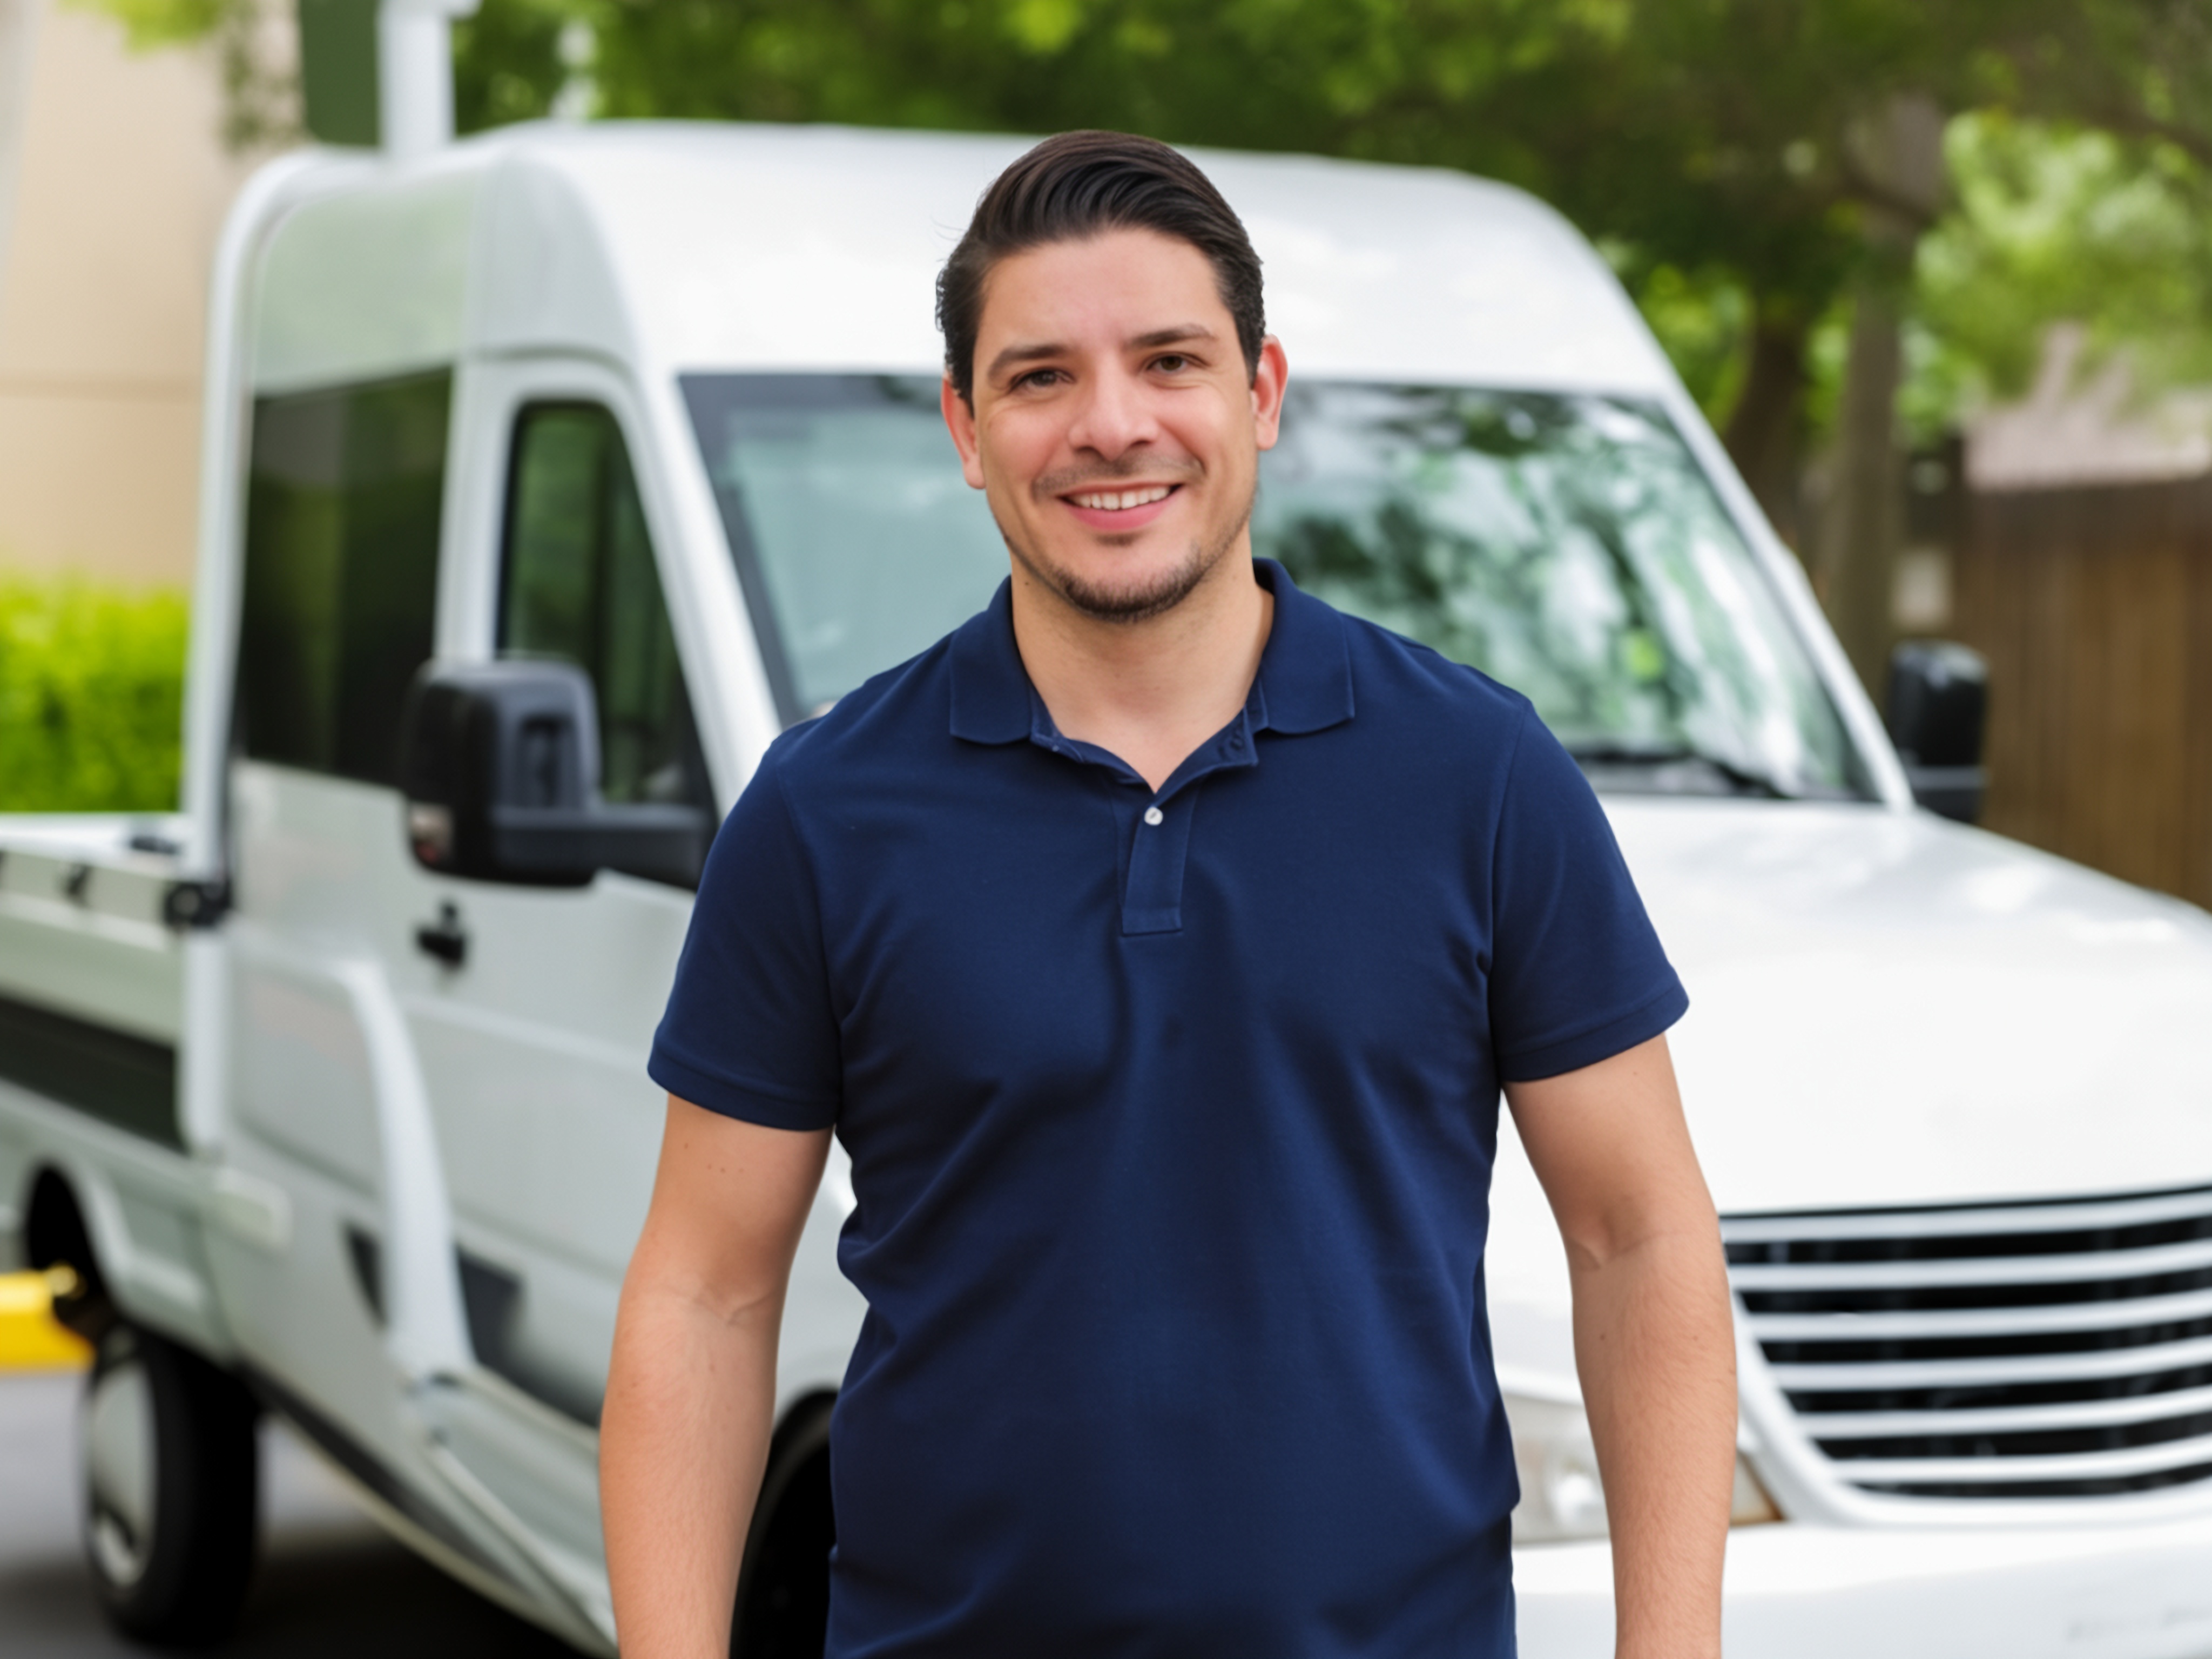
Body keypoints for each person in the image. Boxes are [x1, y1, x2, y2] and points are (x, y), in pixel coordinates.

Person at [602, 129, 1737, 1659]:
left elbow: (1641, 1238)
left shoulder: (1479, 777)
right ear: (964, 424)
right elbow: (704, 1295)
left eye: (1170, 361)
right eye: (1040, 377)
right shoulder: (823, 813)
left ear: (1261, 394)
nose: (1111, 425)